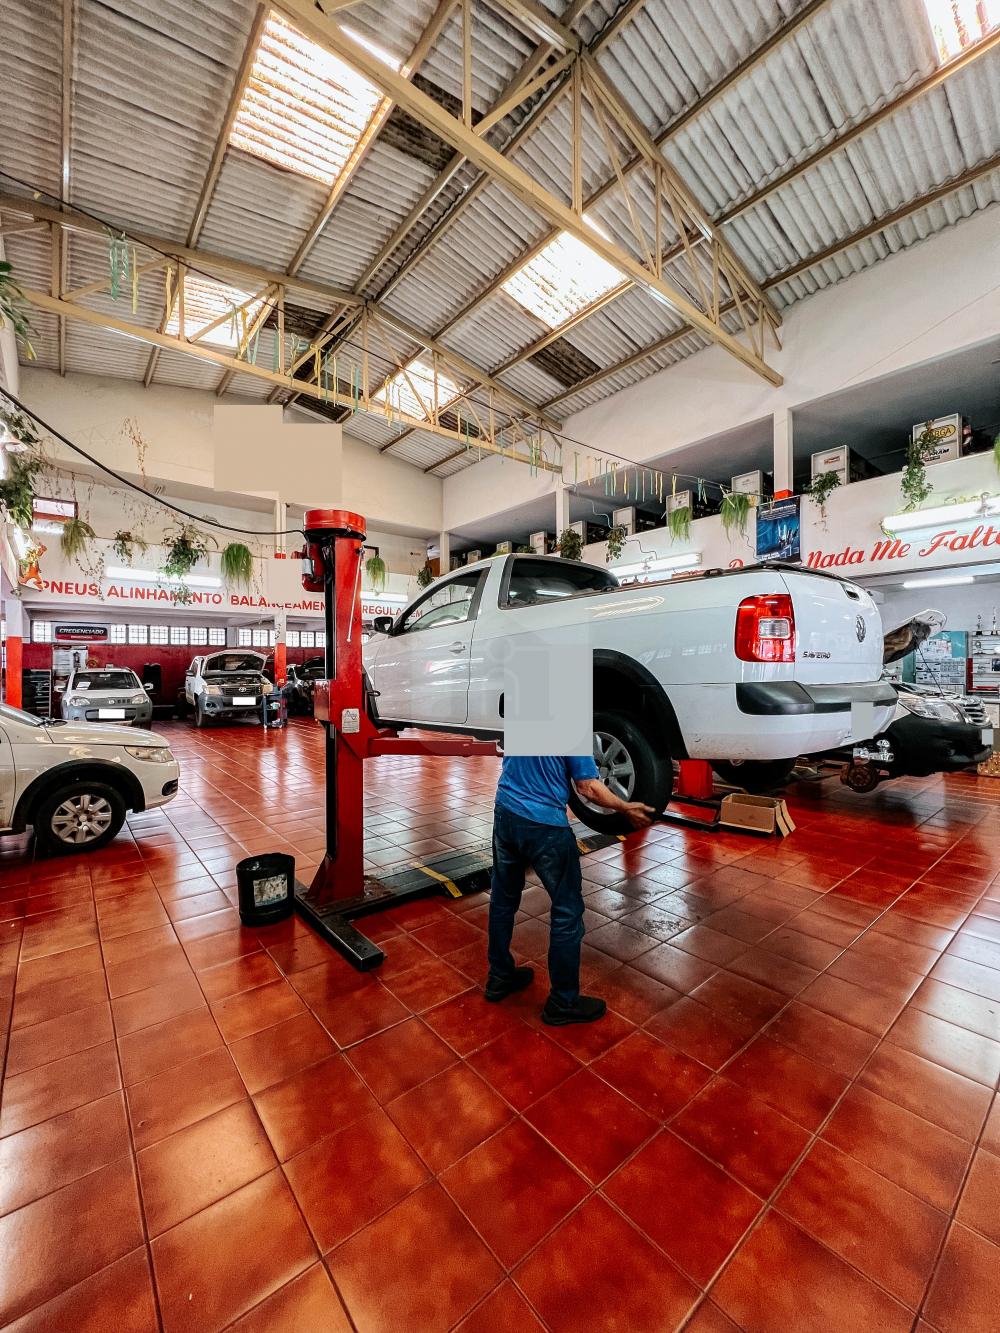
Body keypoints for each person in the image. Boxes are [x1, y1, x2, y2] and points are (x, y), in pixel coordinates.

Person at [485, 754, 654, 1025]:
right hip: (544, 826)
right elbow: (588, 788)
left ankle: (499, 976)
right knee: (567, 910)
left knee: (503, 898)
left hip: (506, 811)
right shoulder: (571, 730)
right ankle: (563, 1003)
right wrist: (624, 806)